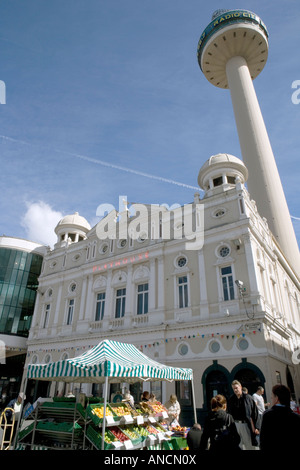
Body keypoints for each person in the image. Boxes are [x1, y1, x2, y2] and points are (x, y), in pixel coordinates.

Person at [260, 384, 300, 451]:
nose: (271, 398)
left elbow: (263, 440)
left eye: (272, 396)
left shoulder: (268, 415)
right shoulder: (296, 417)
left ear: (277, 398)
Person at [227, 380, 259, 450]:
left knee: (249, 446)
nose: (235, 390)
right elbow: (229, 413)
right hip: (235, 425)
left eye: (236, 388)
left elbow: (255, 412)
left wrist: (256, 427)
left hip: (246, 425)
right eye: (233, 388)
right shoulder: (231, 399)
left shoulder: (248, 398)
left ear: (240, 387)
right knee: (238, 446)